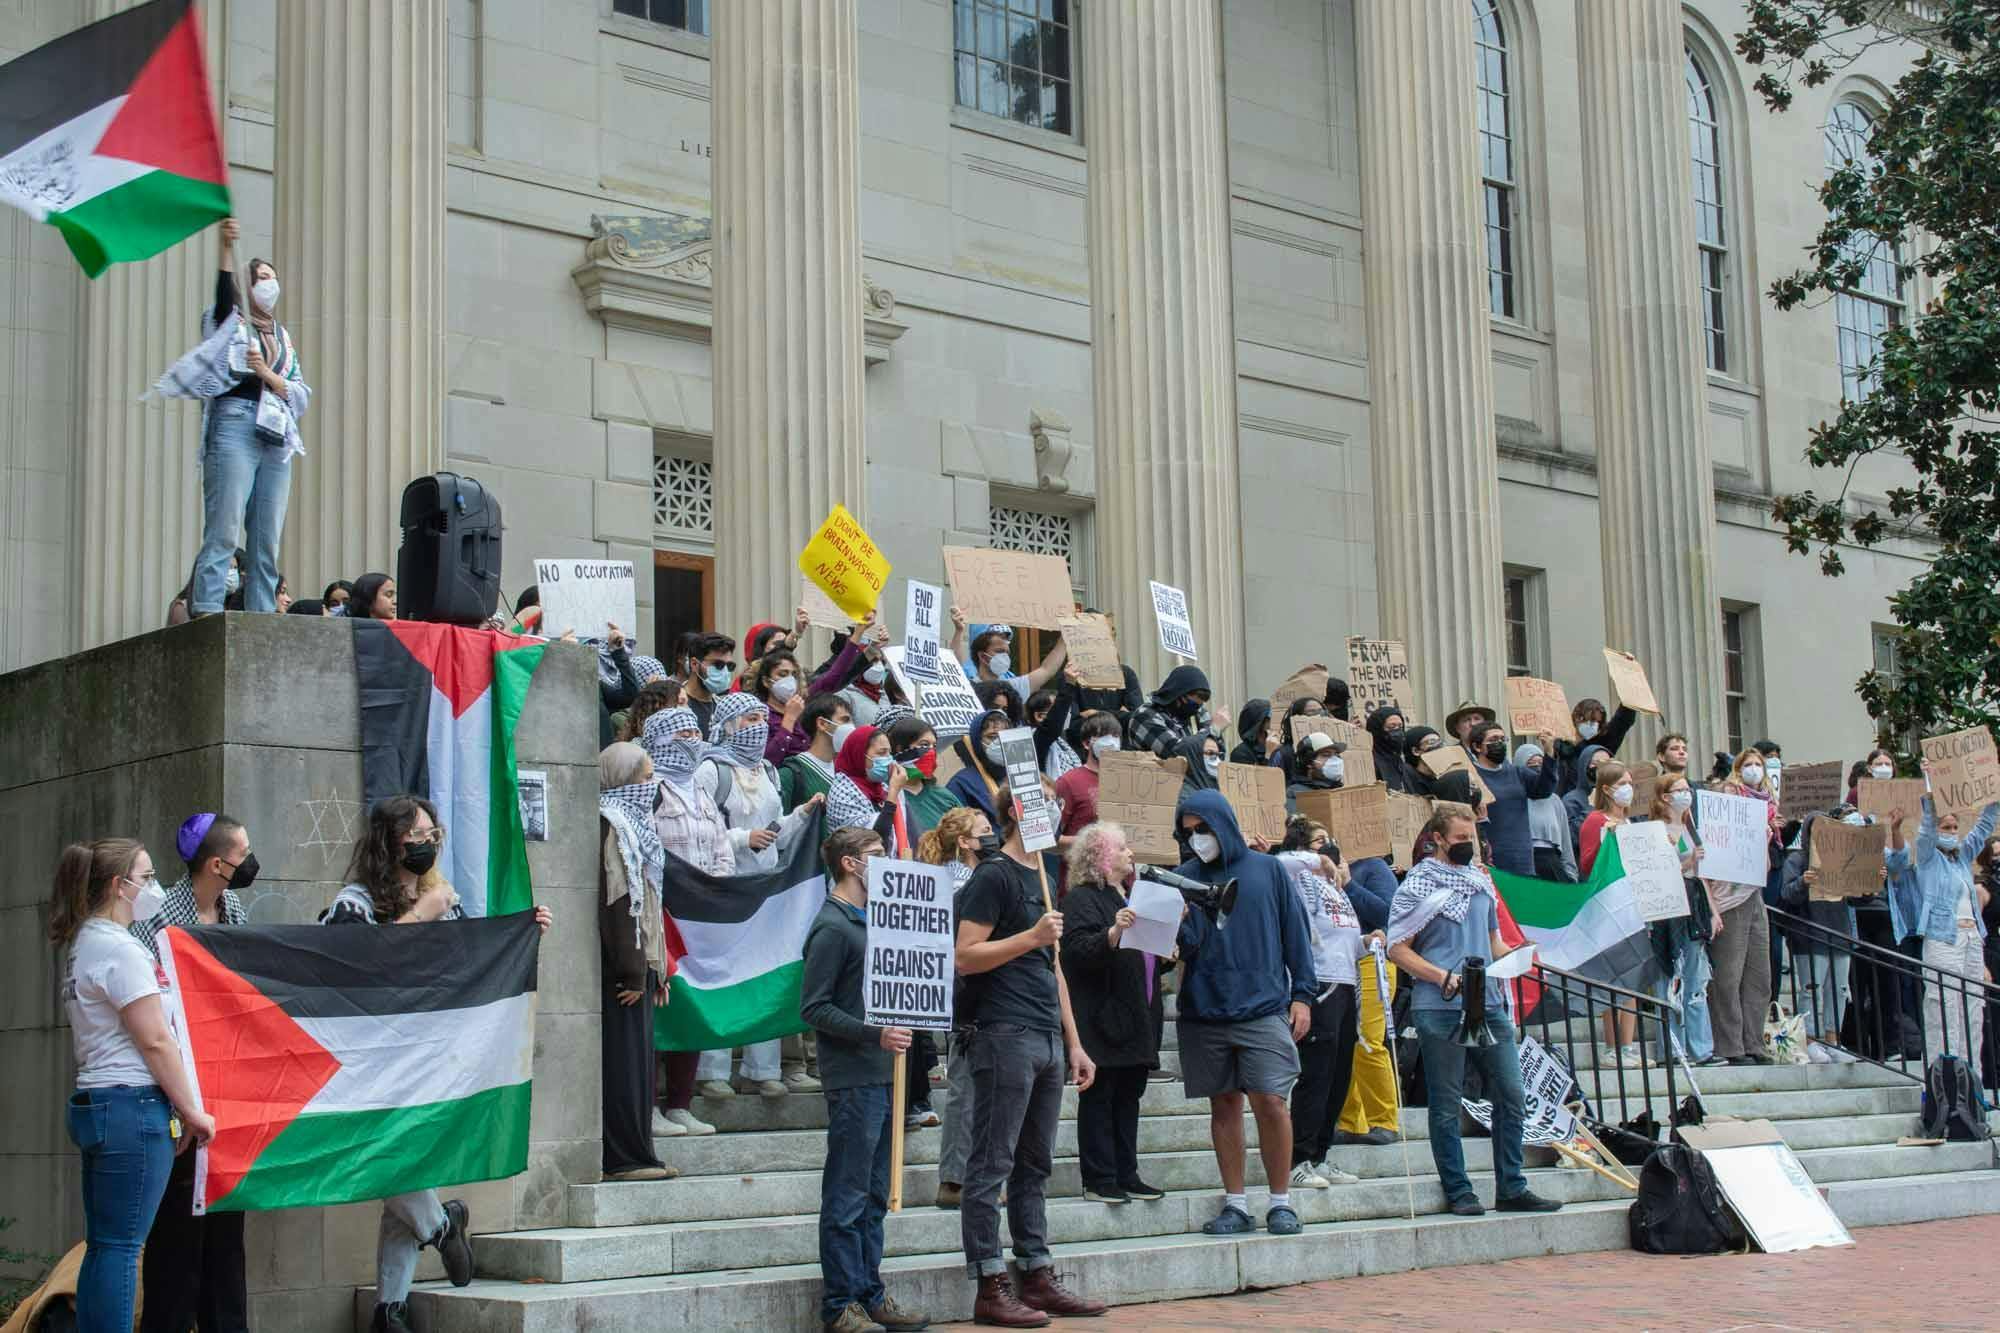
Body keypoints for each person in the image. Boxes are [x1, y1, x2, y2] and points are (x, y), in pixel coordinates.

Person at [324, 796, 552, 1333]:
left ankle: (390, 1309)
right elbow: (355, 969)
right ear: (390, 842)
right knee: (388, 1163)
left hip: (426, 1057)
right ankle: (441, 1226)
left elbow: (472, 961)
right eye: (417, 835)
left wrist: (521, 933)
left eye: (433, 834)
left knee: (407, 1166)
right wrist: (418, 917)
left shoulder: (445, 898)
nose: (429, 843)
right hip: (370, 1061)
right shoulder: (355, 902)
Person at [50, 838, 217, 1333]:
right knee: (122, 1249)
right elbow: (156, 1040)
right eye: (146, 877)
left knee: (107, 1246)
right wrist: (192, 1110)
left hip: (106, 1104)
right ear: (119, 886)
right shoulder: (118, 948)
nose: (154, 886)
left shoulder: (90, 942)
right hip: (132, 1106)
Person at [954, 799, 1105, 1325]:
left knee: (1035, 1163)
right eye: (1046, 802)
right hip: (1003, 1029)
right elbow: (964, 955)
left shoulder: (1043, 874)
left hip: (1044, 1034)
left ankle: (1036, 1272)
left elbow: (1054, 966)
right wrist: (1031, 937)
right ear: (1018, 811)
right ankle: (989, 1282)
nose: (1056, 812)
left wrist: (1074, 1041)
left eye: (1059, 804)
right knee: (991, 1161)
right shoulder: (993, 874)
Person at [1387, 808, 1561, 1217]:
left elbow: (1492, 941)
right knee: (1447, 1101)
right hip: (1440, 1004)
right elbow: (1397, 948)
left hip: (1489, 1000)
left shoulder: (1481, 881)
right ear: (1438, 839)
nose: (1470, 845)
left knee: (1511, 1093)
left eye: (1474, 838)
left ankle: (1512, 1185)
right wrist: (1440, 976)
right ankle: (1458, 1189)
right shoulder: (1418, 884)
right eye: (1461, 838)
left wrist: (1519, 954)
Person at [800, 826, 932, 1333]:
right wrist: (873, 1033)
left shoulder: (876, 920)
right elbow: (814, 1007)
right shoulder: (832, 926)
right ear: (850, 864)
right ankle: (840, 1304)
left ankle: (869, 1292)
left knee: (876, 1195)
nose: (887, 860)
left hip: (884, 1073)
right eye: (877, 854)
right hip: (854, 1075)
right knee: (848, 1194)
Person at [1171, 791, 1317, 1238]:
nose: (1197, 838)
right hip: (1204, 1008)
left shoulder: (1268, 869)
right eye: (1189, 832)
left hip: (1264, 1006)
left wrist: (1303, 995)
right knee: (1224, 1105)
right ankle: (1235, 1203)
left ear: (1223, 823)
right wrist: (1173, 923)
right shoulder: (1182, 879)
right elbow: (1183, 948)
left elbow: (1296, 933)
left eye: (1203, 829)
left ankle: (1280, 1202)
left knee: (1271, 1101)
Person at [132, 814, 254, 1333]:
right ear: (217, 864)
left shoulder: (235, 910)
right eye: (243, 853)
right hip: (178, 1087)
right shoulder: (158, 919)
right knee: (176, 1236)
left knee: (227, 1231)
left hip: (228, 1088)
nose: (250, 861)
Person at [174, 217, 310, 617]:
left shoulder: (282, 337)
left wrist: (266, 373)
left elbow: (299, 391)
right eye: (262, 277)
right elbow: (222, 299)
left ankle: (261, 611)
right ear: (247, 285)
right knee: (225, 524)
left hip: (277, 436)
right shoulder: (231, 322)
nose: (270, 284)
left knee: (267, 534)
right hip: (235, 423)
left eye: (273, 277)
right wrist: (225, 250)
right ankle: (207, 605)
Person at [694, 692, 824, 1097]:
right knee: (722, 977)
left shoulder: (767, 770)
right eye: (748, 719)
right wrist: (741, 838)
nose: (756, 727)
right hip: (724, 887)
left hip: (765, 888)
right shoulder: (710, 770)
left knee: (762, 974)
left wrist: (800, 816)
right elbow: (700, 830)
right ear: (727, 724)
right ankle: (712, 1072)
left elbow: (775, 832)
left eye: (759, 719)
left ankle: (762, 1069)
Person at [1060, 822, 1165, 1206]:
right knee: (1101, 1096)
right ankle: (1100, 1177)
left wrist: (1168, 949)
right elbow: (1076, 953)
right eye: (1122, 848)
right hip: (1103, 1018)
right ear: (1100, 857)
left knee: (1128, 1096)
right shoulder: (1081, 899)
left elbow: (1142, 957)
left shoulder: (1128, 897)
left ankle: (1126, 1172)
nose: (1130, 854)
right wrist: (1113, 932)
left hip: (1136, 1015)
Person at [642, 706, 733, 1133]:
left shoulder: (700, 789)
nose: (692, 740)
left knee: (692, 1008)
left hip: (700, 918)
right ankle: (648, 1105)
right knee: (661, 1010)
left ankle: (681, 1103)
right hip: (663, 914)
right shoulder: (649, 789)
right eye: (682, 734)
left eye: (696, 732)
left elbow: (721, 846)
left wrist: (717, 889)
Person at [1273, 818, 1371, 1191]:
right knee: (1316, 1075)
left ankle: (1319, 1154)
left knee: (1339, 1075)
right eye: (1319, 841)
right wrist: (1316, 861)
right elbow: (1280, 861)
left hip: (1346, 983)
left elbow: (1344, 939)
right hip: (1319, 983)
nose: (1328, 847)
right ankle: (1296, 1158)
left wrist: (1367, 942)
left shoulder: (1337, 887)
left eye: (1330, 840)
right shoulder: (1299, 877)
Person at [597, 743, 677, 1175]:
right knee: (625, 1067)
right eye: (645, 778)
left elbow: (650, 902)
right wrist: (632, 971)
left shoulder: (635, 824)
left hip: (641, 967)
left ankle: (642, 1151)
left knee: (640, 1065)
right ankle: (625, 1156)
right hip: (623, 975)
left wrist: (656, 969)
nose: (652, 786)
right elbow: (619, 901)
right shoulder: (612, 825)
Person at [1892, 779, 2000, 1067]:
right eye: (1946, 827)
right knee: (1943, 1006)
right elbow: (1926, 830)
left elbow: (1984, 827)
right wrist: (1931, 797)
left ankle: (1971, 1077)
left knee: (1973, 1008)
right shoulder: (1928, 859)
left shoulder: (1962, 859)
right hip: (1943, 938)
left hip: (1972, 939)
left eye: (1954, 827)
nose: (1952, 832)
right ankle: (1943, 1075)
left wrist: (1994, 792)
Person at [917, 806, 994, 1210]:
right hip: (964, 992)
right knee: (966, 1088)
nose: (992, 836)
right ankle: (955, 1178)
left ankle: (979, 1174)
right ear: (964, 842)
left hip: (995, 991)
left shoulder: (990, 875)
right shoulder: (951, 882)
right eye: (984, 831)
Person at [1706, 749, 1780, 1065]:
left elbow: (1764, 870)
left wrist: (1763, 841)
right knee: (1728, 976)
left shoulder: (1755, 824)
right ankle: (1730, 1045)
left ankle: (1754, 1042)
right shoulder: (1710, 829)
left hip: (1753, 898)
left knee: (1759, 976)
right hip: (1728, 902)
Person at [1783, 806, 1872, 1049]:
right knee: (1810, 990)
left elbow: (1857, 899)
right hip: (1810, 937)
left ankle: (1834, 1039)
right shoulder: (1797, 860)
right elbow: (1787, 895)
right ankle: (1810, 1040)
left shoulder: (1840, 861)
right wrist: (1803, 882)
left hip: (1839, 933)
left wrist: (1870, 885)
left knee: (1840, 991)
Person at [1651, 773, 1717, 1064]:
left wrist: (1713, 912)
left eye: (1687, 789)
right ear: (1665, 797)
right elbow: (1656, 875)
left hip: (1694, 905)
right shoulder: (1657, 831)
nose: (1686, 794)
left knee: (1696, 979)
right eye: (1679, 790)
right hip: (1667, 911)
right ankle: (1672, 1049)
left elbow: (1701, 876)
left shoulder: (1691, 829)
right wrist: (1687, 861)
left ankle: (1701, 1049)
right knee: (1670, 981)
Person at [1467, 719, 1559, 877]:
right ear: (1477, 747)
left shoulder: (1518, 773)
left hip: (1522, 860)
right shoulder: (1470, 776)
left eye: (1503, 739)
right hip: (1488, 859)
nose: (1500, 743)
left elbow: (1544, 790)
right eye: (1493, 740)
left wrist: (1549, 753)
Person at [1055, 713, 1123, 893]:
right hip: (1083, 887)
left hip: (1123, 885)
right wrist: (1093, 841)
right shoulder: (1069, 782)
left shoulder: (1128, 781)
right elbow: (1050, 841)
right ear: (1086, 743)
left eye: (1116, 736)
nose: (1112, 742)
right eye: (1104, 736)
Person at [781, 693, 855, 813]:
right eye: (845, 720)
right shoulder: (789, 773)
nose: (851, 727)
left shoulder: (845, 774)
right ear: (822, 724)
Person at [1516, 742, 1578, 883]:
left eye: (1540, 763)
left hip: (1552, 864)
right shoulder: (1515, 797)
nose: (1537, 767)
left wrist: (1571, 873)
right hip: (1524, 864)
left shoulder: (1555, 800)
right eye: (1531, 763)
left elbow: (1565, 840)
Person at [1126, 665, 1214, 761]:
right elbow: (1178, 752)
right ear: (1177, 695)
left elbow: (1216, 751)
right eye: (1192, 704)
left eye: (1199, 705)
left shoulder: (1198, 712)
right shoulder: (1145, 716)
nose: (1196, 709)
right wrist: (1214, 730)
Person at [1552, 697, 1637, 791]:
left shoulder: (1602, 744)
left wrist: (1631, 696)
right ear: (1576, 718)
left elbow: (1622, 721)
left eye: (1598, 722)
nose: (1594, 725)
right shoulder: (1561, 747)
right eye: (1591, 720)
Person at [947, 709, 1012, 821]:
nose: (1000, 742)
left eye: (1005, 736)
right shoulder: (961, 784)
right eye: (992, 737)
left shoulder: (1020, 775)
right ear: (977, 741)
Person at [681, 632, 739, 738]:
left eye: (729, 666)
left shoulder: (724, 708)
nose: (725, 671)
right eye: (718, 664)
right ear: (694, 664)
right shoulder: (675, 703)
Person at [1367, 706, 1416, 794]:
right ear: (1377, 729)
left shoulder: (1402, 764)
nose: (1397, 731)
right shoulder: (1369, 762)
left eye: (1400, 727)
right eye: (1391, 727)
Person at [1230, 700, 1273, 768]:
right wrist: (1269, 755)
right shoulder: (1240, 753)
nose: (1273, 720)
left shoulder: (1277, 743)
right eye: (1269, 717)